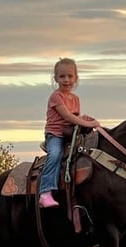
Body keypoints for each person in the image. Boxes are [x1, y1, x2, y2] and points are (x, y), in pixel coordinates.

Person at [38, 58, 100, 208]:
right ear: (56, 79)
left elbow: (75, 117)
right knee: (55, 155)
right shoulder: (56, 97)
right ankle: (45, 191)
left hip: (71, 134)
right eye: (62, 76)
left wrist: (84, 119)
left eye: (70, 76)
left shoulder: (75, 98)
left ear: (76, 78)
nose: (66, 80)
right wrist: (89, 123)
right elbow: (67, 116)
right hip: (56, 134)